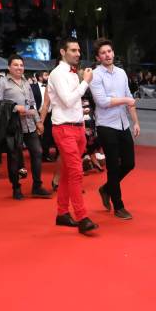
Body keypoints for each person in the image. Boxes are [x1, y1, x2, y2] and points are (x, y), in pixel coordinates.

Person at [47, 38, 98, 234]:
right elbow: (68, 101)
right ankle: (82, 217)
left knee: (69, 173)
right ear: (62, 51)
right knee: (76, 173)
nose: (78, 53)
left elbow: (75, 103)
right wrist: (85, 82)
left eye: (78, 50)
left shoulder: (72, 73)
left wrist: (82, 125)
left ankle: (61, 213)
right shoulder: (58, 74)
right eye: (73, 50)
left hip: (77, 128)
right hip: (64, 129)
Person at [90, 38, 139, 220]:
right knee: (112, 166)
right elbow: (102, 102)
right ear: (98, 57)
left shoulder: (121, 73)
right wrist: (126, 101)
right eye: (103, 53)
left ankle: (106, 188)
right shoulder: (95, 75)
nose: (107, 55)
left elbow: (129, 96)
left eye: (109, 51)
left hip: (123, 123)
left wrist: (135, 122)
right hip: (106, 125)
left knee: (129, 163)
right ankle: (118, 206)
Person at [0, 55, 51, 200]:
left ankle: (37, 186)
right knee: (14, 158)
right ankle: (16, 187)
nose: (19, 67)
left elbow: (32, 103)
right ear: (9, 67)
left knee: (37, 152)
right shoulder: (2, 83)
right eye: (16, 65)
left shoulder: (26, 82)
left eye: (21, 65)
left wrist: (38, 121)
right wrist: (14, 108)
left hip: (30, 124)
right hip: (13, 126)